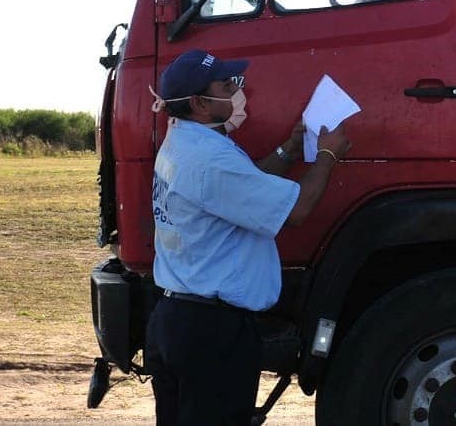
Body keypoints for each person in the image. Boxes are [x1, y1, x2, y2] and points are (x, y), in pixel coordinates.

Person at [144, 49, 352, 426]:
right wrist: (327, 155)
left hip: (177, 319)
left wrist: (288, 151)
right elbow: (297, 210)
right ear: (199, 103)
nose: (237, 91)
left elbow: (243, 184)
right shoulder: (211, 159)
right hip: (211, 334)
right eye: (227, 85)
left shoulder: (186, 142)